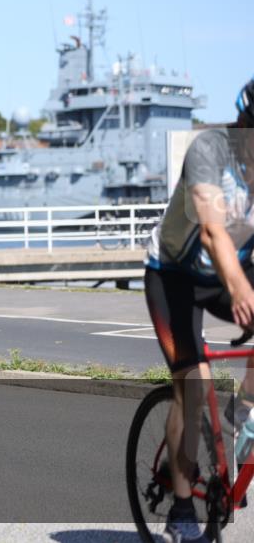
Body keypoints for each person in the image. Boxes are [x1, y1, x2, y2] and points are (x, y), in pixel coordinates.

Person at [144, 77, 254, 543]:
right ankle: (182, 507)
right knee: (192, 387)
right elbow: (212, 232)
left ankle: (238, 420)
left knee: (229, 404)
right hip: (175, 278)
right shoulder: (210, 150)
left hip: (230, 274)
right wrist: (242, 290)